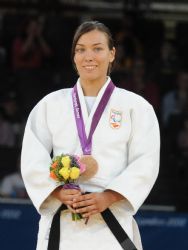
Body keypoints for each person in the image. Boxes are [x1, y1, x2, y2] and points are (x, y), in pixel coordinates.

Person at [21, 21, 160, 250]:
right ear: (74, 56)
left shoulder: (135, 107)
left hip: (111, 222)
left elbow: (145, 162)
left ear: (112, 54)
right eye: (80, 49)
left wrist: (108, 197)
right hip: (62, 221)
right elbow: (32, 159)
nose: (89, 56)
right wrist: (59, 192)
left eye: (97, 48)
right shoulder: (51, 104)